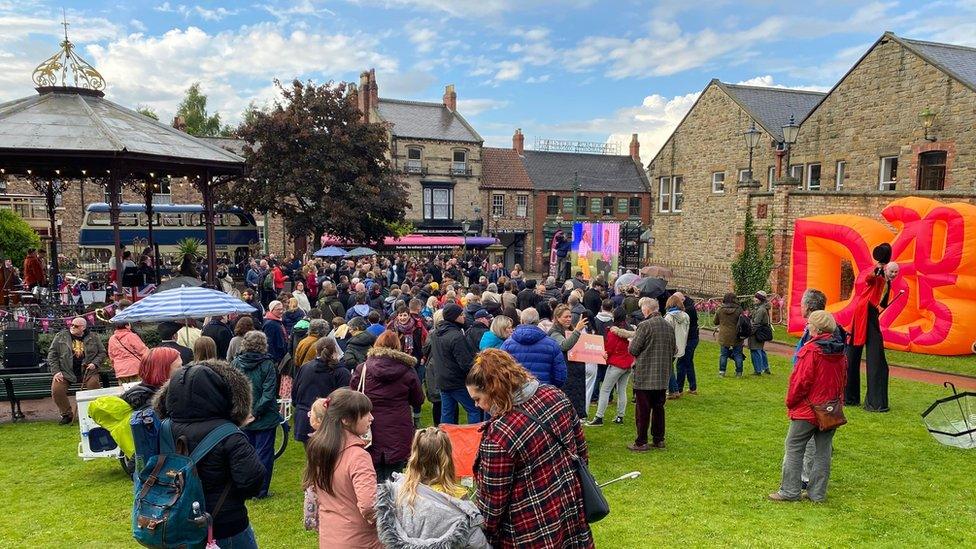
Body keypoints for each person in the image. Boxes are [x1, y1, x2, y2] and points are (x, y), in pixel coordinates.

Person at [466, 349, 593, 548]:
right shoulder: (554, 394)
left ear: (493, 389)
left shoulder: (499, 435)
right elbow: (582, 453)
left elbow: (492, 506)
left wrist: (481, 534)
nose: (476, 406)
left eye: (477, 398)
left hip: (530, 529)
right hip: (569, 510)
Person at [153, 358, 265, 548]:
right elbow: (251, 482)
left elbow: (140, 468)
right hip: (225, 525)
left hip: (176, 522)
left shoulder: (162, 428)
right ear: (221, 393)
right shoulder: (229, 434)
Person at [769, 310, 847, 503]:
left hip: (808, 408)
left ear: (817, 328)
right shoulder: (840, 351)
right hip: (830, 409)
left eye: (809, 324)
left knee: (794, 446)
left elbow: (800, 382)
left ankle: (789, 491)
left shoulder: (810, 350)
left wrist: (791, 402)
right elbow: (842, 380)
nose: (807, 326)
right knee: (823, 450)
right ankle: (817, 494)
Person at [375, 427, 489, 548]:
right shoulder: (458, 501)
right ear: (447, 459)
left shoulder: (396, 494)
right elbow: (477, 542)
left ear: (415, 456)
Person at [303, 388, 382, 549]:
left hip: (330, 538)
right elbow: (369, 505)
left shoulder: (319, 449)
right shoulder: (358, 457)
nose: (371, 418)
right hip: (359, 540)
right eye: (365, 413)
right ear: (346, 419)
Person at [350, 331, 425, 481]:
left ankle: (373, 501)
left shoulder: (362, 368)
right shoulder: (407, 370)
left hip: (370, 425)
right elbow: (418, 399)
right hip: (397, 426)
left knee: (371, 472)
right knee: (396, 475)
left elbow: (353, 394)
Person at [230, 331, 283, 499]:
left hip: (244, 415)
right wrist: (254, 412)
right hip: (262, 416)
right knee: (264, 454)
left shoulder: (235, 363)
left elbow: (232, 390)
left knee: (245, 454)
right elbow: (269, 393)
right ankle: (260, 490)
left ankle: (248, 488)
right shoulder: (267, 364)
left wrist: (246, 412)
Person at [846, 247, 899, 412]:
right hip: (865, 312)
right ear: (886, 268)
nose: (894, 274)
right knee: (875, 356)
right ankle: (875, 402)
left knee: (854, 352)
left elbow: (882, 302)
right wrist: (878, 269)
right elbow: (869, 279)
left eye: (896, 272)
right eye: (892, 271)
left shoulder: (886, 280)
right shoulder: (879, 273)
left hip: (867, 311)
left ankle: (850, 397)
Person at [627, 300, 676, 451]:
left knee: (643, 410)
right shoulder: (668, 326)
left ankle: (641, 441)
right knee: (659, 408)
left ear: (647, 310)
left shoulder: (645, 325)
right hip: (662, 375)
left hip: (645, 374)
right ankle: (659, 439)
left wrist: (631, 343)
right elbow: (674, 349)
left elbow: (634, 349)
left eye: (643, 310)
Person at [293, 338, 351, 445]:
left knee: (315, 457)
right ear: (335, 351)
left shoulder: (305, 367)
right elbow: (346, 401)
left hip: (308, 418)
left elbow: (295, 394)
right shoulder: (342, 372)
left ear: (316, 351)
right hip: (327, 421)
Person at [48, 317, 105, 424]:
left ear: (83, 327)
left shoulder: (93, 337)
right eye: (72, 325)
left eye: (76, 326)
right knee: (57, 390)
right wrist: (56, 372)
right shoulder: (61, 336)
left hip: (88, 371)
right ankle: (67, 414)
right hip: (66, 372)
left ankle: (96, 412)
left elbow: (102, 353)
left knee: (94, 386)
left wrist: (95, 363)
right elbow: (52, 355)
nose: (72, 327)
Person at [432, 303, 483, 424]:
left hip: (442, 379)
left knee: (447, 413)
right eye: (461, 314)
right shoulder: (456, 336)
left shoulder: (435, 334)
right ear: (454, 317)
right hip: (457, 381)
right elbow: (466, 363)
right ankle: (474, 437)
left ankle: (446, 439)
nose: (464, 316)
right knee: (474, 409)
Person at [589, 307, 634, 426]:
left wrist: (605, 353)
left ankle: (599, 417)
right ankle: (620, 416)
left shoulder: (614, 331)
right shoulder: (630, 329)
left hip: (617, 364)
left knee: (605, 390)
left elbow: (610, 348)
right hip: (628, 363)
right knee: (622, 390)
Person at [501, 307, 567, 387]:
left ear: (521, 321)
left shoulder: (507, 344)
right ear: (538, 322)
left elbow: (501, 372)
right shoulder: (552, 345)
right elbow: (560, 376)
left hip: (517, 392)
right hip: (543, 392)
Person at [549, 304, 589, 419]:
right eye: (565, 317)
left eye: (570, 316)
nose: (568, 319)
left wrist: (600, 355)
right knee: (566, 408)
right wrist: (577, 330)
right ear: (557, 318)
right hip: (566, 375)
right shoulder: (554, 332)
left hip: (576, 375)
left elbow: (585, 348)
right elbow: (564, 346)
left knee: (575, 407)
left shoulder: (569, 330)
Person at [120, 347, 181, 412]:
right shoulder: (143, 399)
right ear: (161, 370)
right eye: (179, 367)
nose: (183, 370)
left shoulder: (143, 392)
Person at [663, 294, 690, 399]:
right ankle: (674, 390)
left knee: (668, 367)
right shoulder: (686, 316)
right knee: (670, 367)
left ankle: (674, 390)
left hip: (671, 345)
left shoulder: (669, 317)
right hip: (681, 344)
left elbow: (667, 333)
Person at [674, 291, 699, 395]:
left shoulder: (688, 310)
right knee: (688, 362)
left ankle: (678, 389)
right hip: (691, 338)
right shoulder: (688, 306)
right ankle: (692, 387)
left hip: (689, 339)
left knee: (681, 363)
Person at [714, 292, 745, 377]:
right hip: (737, 334)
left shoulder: (720, 310)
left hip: (724, 334)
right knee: (738, 354)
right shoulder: (739, 309)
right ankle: (739, 372)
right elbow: (743, 321)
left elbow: (715, 321)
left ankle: (722, 372)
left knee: (723, 354)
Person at [747, 291, 772, 375]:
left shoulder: (761, 310)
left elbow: (756, 323)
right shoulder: (761, 308)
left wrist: (749, 332)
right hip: (760, 331)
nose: (754, 299)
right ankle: (765, 368)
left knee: (755, 350)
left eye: (756, 298)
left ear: (760, 300)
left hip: (757, 332)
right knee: (760, 350)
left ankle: (758, 370)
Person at [262, 300, 289, 365]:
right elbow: (269, 343)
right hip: (275, 358)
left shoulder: (278, 320)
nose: (281, 311)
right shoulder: (270, 323)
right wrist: (273, 359)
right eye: (278, 309)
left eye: (282, 309)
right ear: (272, 310)